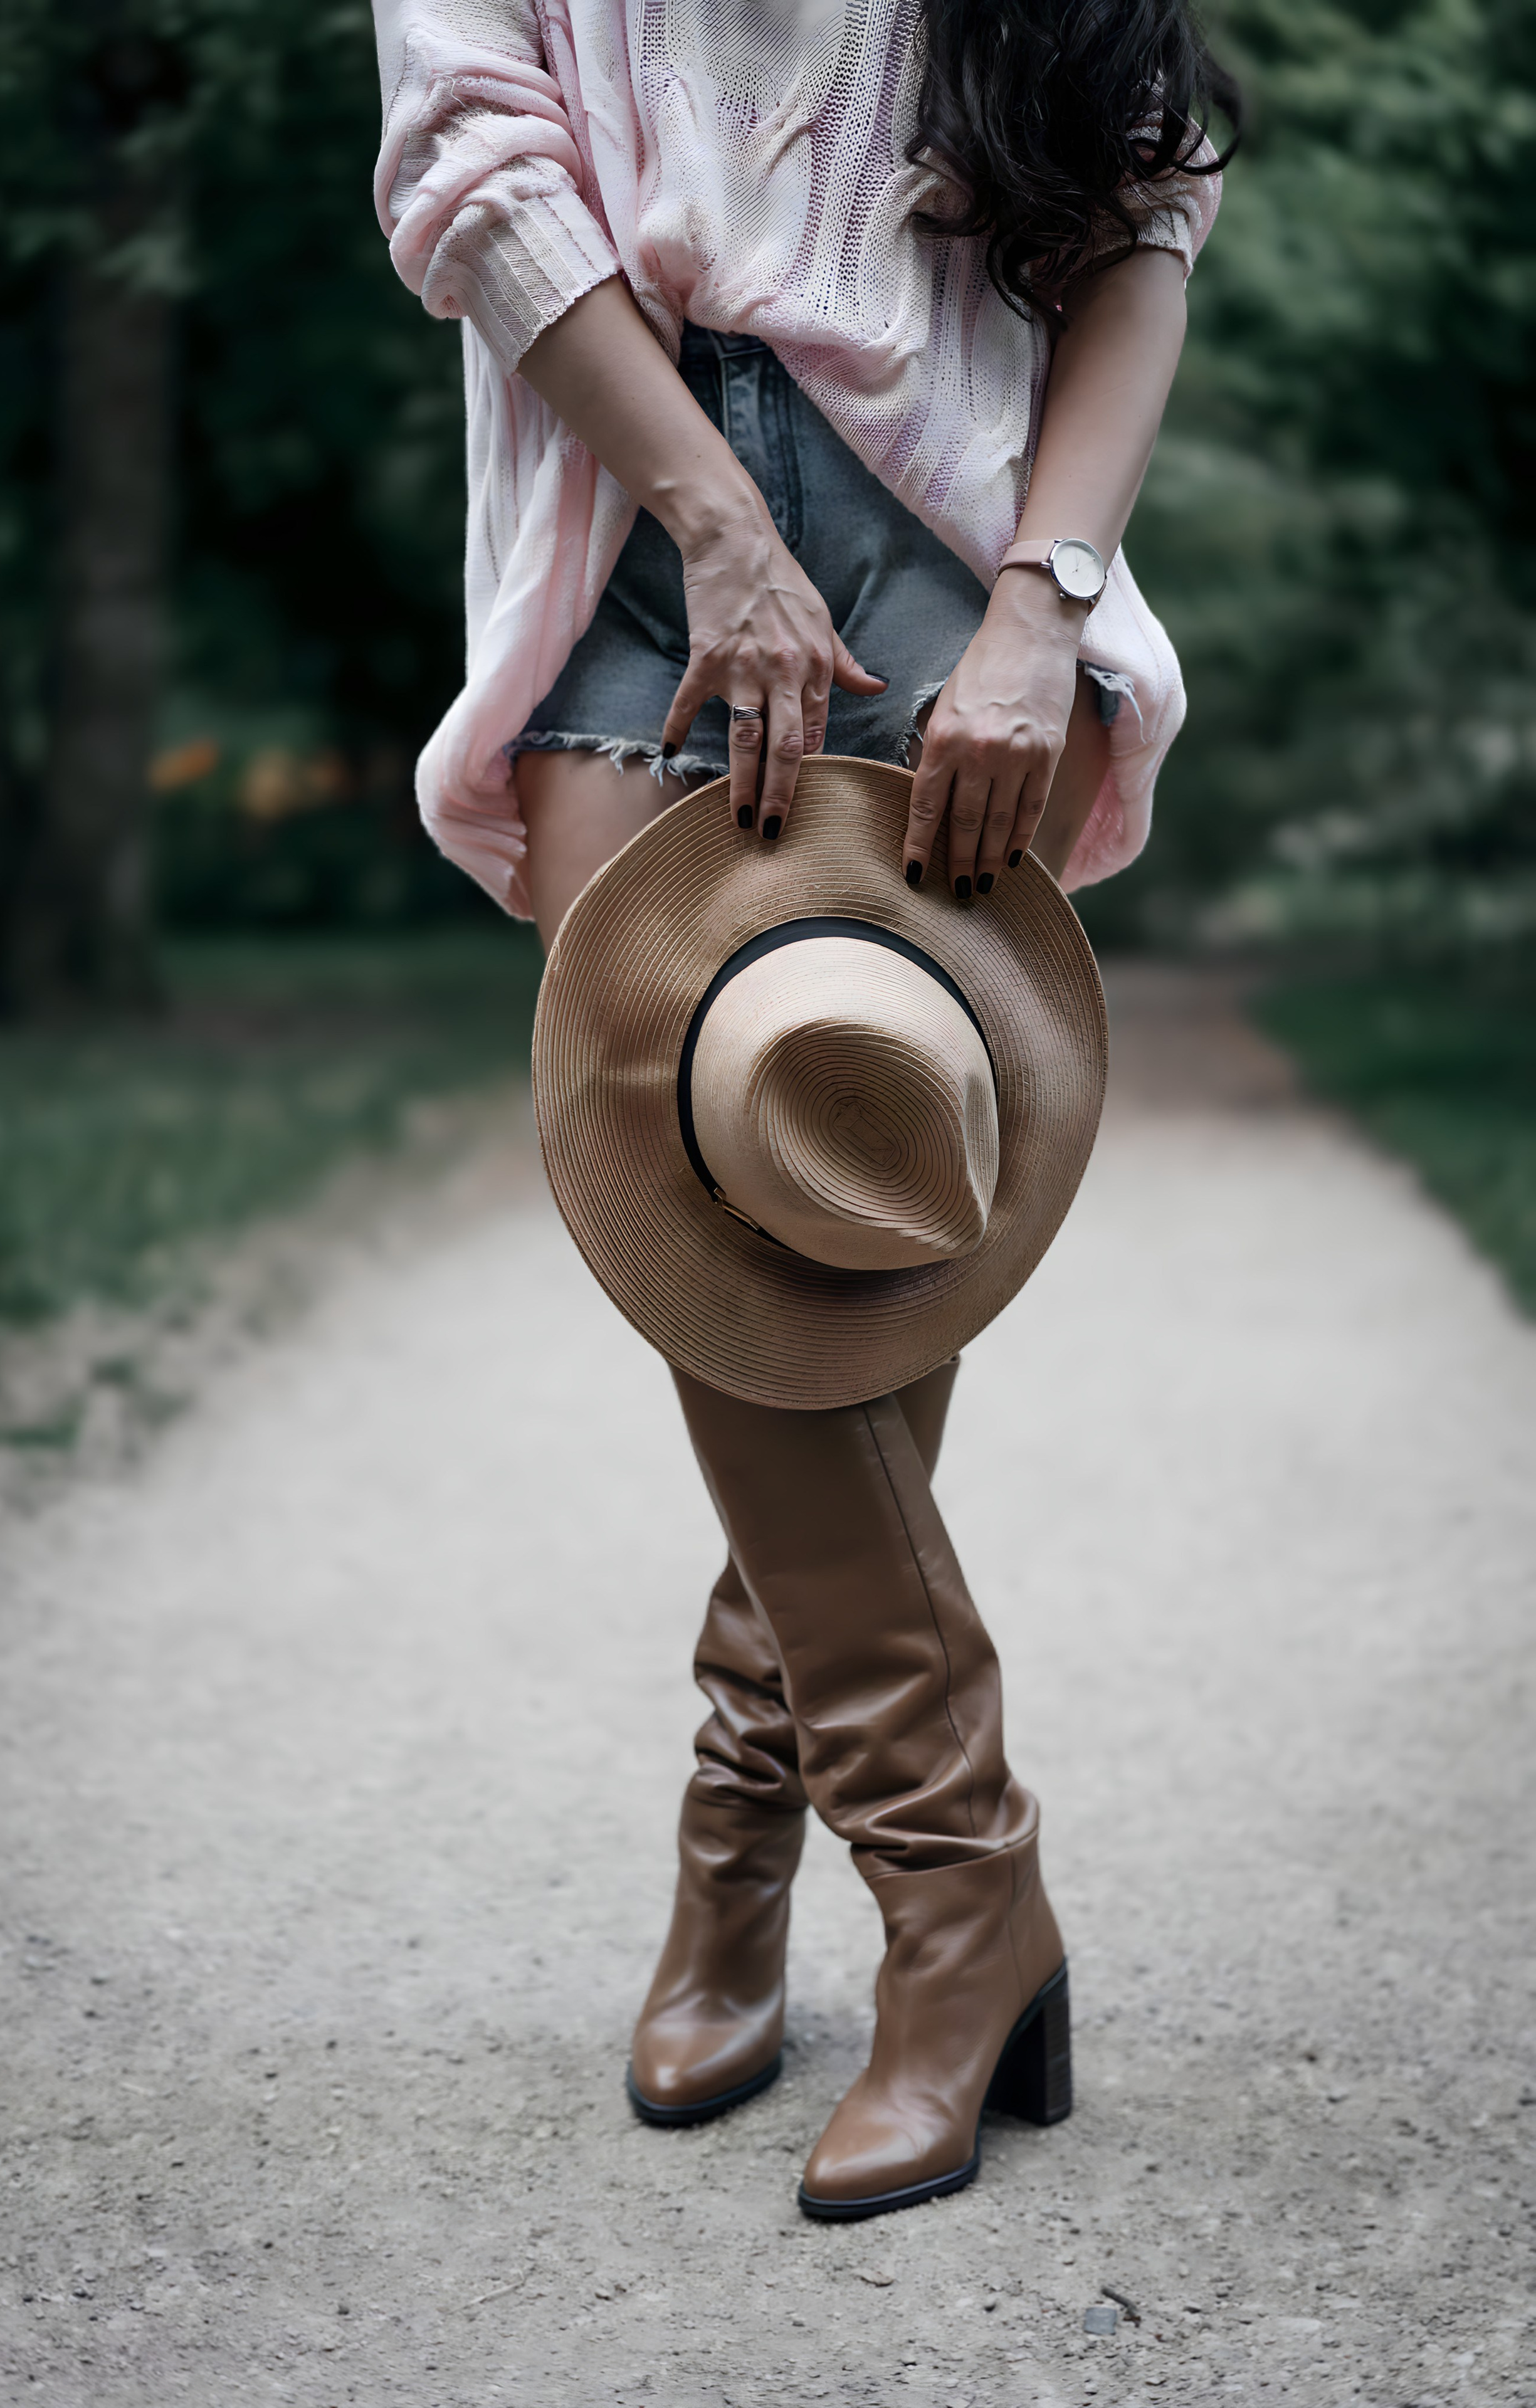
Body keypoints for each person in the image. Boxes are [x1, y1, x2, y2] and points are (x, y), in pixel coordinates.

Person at [371, 0, 1236, 2219]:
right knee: (703, 1186)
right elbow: (475, 159)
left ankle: (777, 1847)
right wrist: (717, 524)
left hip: (963, 522)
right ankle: (959, 1888)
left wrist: (1046, 597)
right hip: (620, 495)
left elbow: (1144, 205)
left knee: (854, 1184)